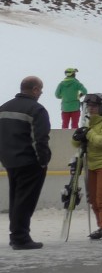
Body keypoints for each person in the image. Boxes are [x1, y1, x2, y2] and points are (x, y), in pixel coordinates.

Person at [1, 76, 52, 250]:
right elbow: (40, 139)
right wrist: (43, 161)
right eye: (41, 89)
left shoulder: (4, 108)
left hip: (10, 161)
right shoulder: (36, 109)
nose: (41, 93)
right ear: (35, 89)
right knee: (25, 201)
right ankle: (20, 238)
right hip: (30, 162)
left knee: (16, 199)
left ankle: (16, 234)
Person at [74, 93, 102, 241]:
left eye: (94, 106)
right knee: (93, 198)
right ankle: (101, 226)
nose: (91, 109)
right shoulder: (88, 122)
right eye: (89, 106)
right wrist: (77, 136)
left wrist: (89, 132)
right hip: (92, 164)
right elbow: (78, 143)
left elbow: (101, 141)